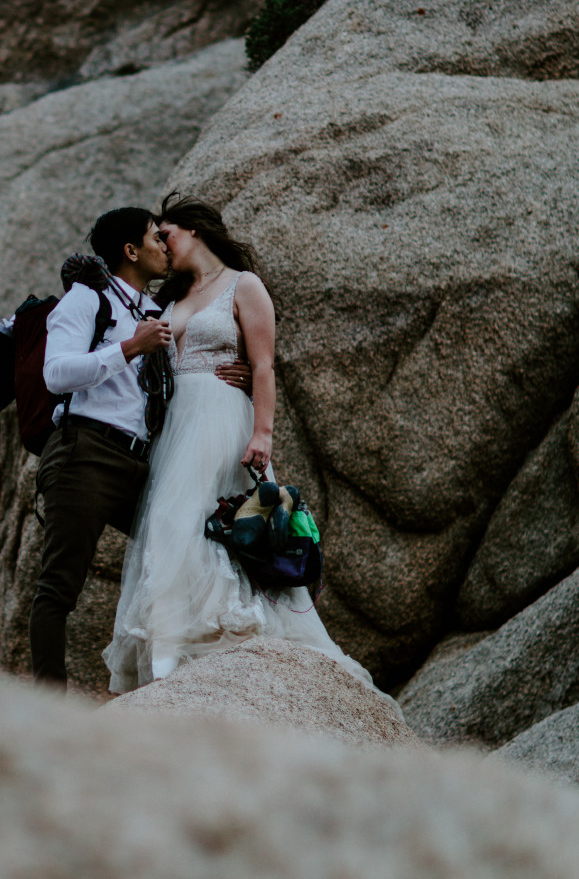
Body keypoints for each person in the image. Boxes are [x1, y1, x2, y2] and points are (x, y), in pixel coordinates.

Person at [104, 194, 377, 694]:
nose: (162, 244)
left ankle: (238, 643)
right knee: (170, 527)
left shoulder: (243, 285)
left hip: (222, 419)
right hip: (176, 427)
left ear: (196, 231)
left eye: (168, 234)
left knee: (222, 528)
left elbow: (266, 363)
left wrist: (263, 433)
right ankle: (168, 655)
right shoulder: (171, 299)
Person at [28, 205, 251, 686]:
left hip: (140, 462)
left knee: (194, 544)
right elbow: (56, 373)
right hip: (84, 452)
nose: (164, 247)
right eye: (155, 238)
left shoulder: (154, 311)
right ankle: (46, 703)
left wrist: (240, 373)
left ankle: (190, 672)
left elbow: (185, 367)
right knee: (58, 587)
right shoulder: (88, 301)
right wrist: (129, 347)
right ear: (130, 251)